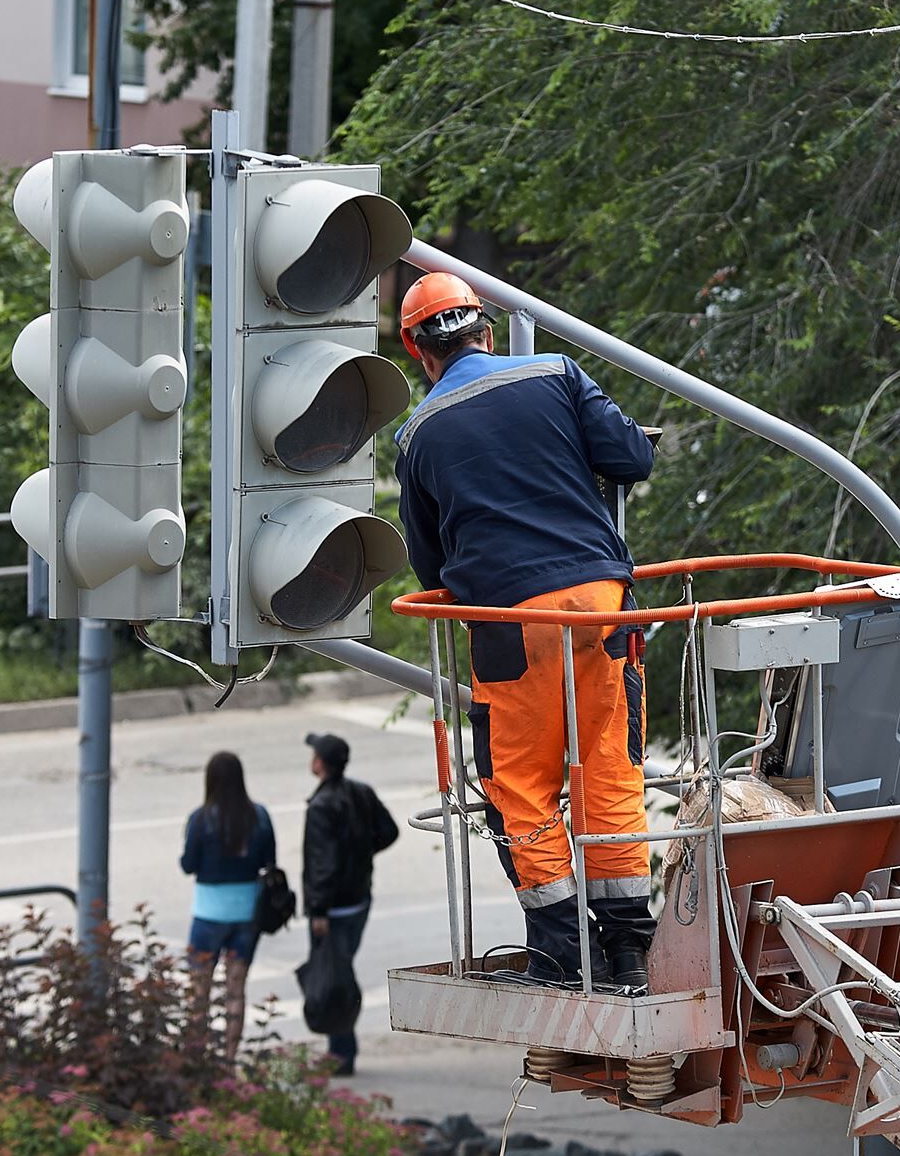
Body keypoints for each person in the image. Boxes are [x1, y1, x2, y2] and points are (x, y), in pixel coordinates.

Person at [392, 272, 658, 990]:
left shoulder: (416, 435)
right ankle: (632, 947)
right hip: (603, 603)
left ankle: (565, 953)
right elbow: (633, 458)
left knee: (522, 786)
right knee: (610, 765)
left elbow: (428, 566)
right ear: (483, 329)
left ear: (419, 352)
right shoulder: (557, 373)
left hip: (510, 621)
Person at [300, 732, 399, 1074]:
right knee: (339, 969)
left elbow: (322, 865)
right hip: (359, 899)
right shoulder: (361, 792)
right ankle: (339, 1051)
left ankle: (341, 1055)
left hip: (335, 908)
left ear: (320, 763)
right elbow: (388, 832)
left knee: (333, 977)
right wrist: (360, 854)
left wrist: (318, 910)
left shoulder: (322, 806)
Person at [180, 751, 277, 1061]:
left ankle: (198, 1058)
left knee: (200, 993)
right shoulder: (259, 816)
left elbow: (188, 865)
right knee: (235, 990)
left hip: (208, 916)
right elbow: (269, 861)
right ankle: (229, 1059)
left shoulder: (201, 818)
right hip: (247, 914)